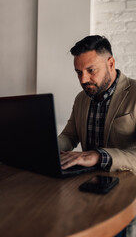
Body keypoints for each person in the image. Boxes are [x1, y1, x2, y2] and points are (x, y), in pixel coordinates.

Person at [58, 35, 136, 237]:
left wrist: (98, 155)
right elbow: (69, 135)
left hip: (126, 191)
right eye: (78, 72)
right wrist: (48, 145)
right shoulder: (82, 98)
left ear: (111, 63)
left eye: (90, 70)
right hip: (89, 188)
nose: (83, 80)